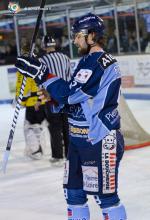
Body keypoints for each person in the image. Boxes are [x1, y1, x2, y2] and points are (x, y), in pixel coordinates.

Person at [15, 13, 127, 220]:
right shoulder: (86, 61)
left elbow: (69, 94)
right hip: (78, 140)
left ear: (92, 35)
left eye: (78, 35)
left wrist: (40, 72)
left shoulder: (100, 62)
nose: (74, 40)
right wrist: (52, 98)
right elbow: (74, 101)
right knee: (74, 195)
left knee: (106, 198)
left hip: (98, 139)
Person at [39, 35, 71, 163]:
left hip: (51, 97)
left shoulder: (42, 60)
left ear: (43, 45)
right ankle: (70, 154)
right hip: (66, 96)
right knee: (67, 126)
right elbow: (70, 77)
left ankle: (57, 156)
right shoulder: (65, 57)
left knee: (55, 126)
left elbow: (40, 81)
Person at [15, 44, 48, 160]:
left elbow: (23, 87)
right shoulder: (40, 64)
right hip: (41, 101)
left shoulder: (24, 66)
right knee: (38, 126)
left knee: (29, 127)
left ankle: (36, 150)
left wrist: (20, 101)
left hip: (32, 103)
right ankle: (40, 148)